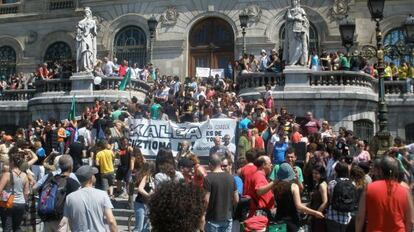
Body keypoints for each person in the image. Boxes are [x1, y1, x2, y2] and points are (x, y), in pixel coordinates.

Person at [356, 156, 414, 232]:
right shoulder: (406, 191)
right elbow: (410, 221)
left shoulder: (369, 188)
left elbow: (360, 217)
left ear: (380, 171)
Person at [58, 165, 117, 232]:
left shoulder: (70, 198)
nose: (95, 176)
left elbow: (65, 221)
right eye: (93, 175)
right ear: (91, 178)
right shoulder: (103, 194)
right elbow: (111, 221)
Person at [274, 163, 324, 232]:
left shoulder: (276, 187)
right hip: (292, 221)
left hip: (278, 219)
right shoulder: (294, 186)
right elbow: (299, 206)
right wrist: (315, 213)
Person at [38, 155, 80, 232]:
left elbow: (38, 189)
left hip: (47, 218)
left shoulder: (50, 179)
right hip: (61, 221)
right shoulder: (72, 182)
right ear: (71, 166)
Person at [204, 154, 239, 232]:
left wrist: (203, 213)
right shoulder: (231, 178)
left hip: (213, 219)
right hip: (227, 218)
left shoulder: (208, 178)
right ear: (220, 163)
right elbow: (236, 199)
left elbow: (206, 200)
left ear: (210, 164)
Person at [0, 151, 29, 232]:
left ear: (12, 162)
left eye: (9, 160)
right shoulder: (25, 175)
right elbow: (26, 193)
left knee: (7, 227)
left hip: (9, 204)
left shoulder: (7, 174)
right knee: (17, 227)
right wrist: (25, 203)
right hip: (21, 204)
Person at [282, 0, 310, 66]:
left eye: (294, 0)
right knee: (292, 45)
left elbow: (305, 19)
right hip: (291, 29)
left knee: (300, 46)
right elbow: (288, 17)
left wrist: (303, 20)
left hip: (300, 29)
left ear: (297, 1)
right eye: (292, 1)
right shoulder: (289, 10)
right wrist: (296, 18)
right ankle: (292, 61)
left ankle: (301, 61)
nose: (293, 2)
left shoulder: (301, 10)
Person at [134, 162, 154, 232]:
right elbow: (140, 188)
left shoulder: (151, 178)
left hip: (147, 204)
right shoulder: (146, 177)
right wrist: (148, 195)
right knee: (139, 228)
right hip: (140, 203)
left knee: (146, 228)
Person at [75, 7, 97, 72]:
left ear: (90, 13)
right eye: (85, 12)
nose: (86, 14)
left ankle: (88, 66)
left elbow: (94, 32)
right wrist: (79, 31)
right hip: (83, 38)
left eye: (87, 12)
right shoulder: (81, 22)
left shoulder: (92, 21)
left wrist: (89, 28)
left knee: (89, 51)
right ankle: (83, 67)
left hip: (89, 38)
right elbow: (78, 32)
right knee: (83, 51)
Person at [309, 165, 328, 232]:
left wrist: (317, 213)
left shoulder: (322, 185)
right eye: (313, 173)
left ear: (321, 174)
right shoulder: (317, 183)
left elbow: (325, 202)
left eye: (316, 173)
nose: (314, 175)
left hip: (319, 216)